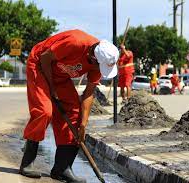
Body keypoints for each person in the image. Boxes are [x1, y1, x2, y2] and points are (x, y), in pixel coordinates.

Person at [19, 29, 119, 183]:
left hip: (61, 75)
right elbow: (45, 58)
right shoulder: (75, 42)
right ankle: (27, 162)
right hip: (39, 66)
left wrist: (83, 124)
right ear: (93, 57)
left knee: (74, 113)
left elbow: (89, 93)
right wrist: (51, 88)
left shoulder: (98, 63)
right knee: (44, 112)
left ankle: (62, 169)